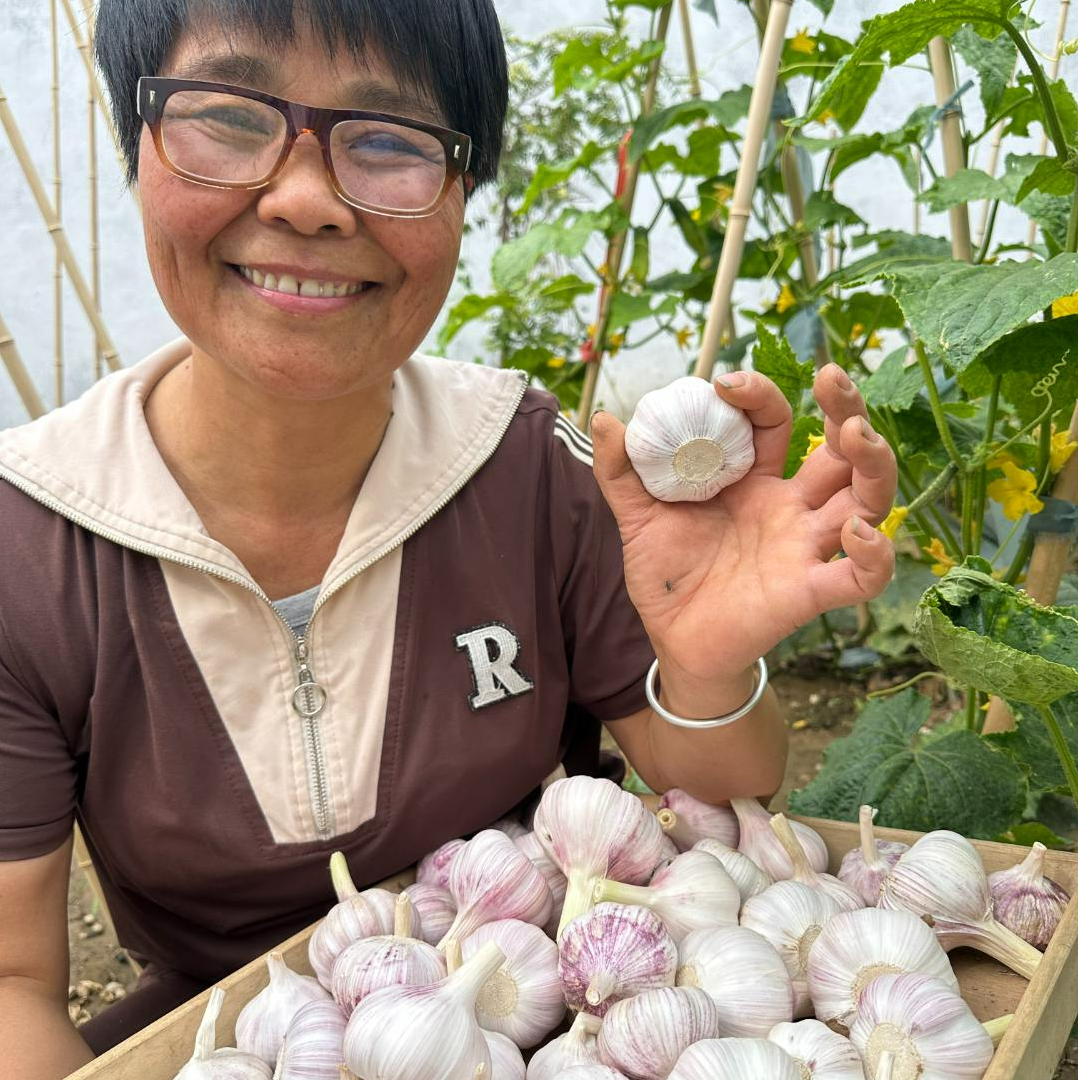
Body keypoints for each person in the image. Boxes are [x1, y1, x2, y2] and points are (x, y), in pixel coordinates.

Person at [0, 0, 897, 1074]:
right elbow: (12, 982)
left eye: (386, 141)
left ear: (464, 193)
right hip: (227, 1046)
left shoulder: (529, 469)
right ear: (133, 145)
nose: (305, 198)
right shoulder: (28, 546)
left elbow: (727, 796)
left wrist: (705, 665)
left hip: (551, 1024)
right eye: (227, 118)